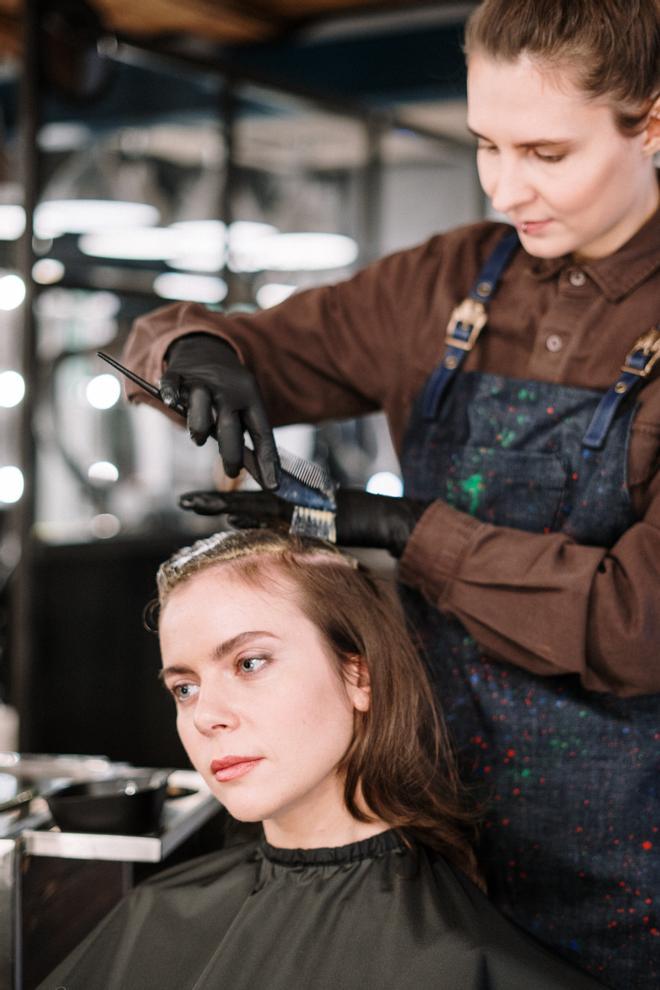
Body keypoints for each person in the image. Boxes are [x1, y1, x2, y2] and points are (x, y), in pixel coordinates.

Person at [121, 1, 660, 986]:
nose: (506, 189)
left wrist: (401, 532)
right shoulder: (446, 283)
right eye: (485, 145)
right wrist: (191, 348)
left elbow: (636, 621)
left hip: (632, 871)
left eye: (545, 152)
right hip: (429, 835)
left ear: (652, 123)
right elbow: (212, 345)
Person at [39, 530, 602, 990]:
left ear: (359, 676)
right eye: (183, 688)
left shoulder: (464, 963)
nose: (206, 715)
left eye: (249, 663)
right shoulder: (156, 917)